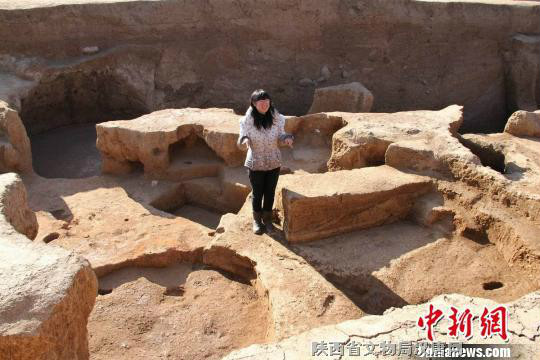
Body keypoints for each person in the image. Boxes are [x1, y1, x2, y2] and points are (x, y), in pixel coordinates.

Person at [237, 89, 294, 235]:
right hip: (255, 162)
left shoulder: (277, 118)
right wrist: (245, 141)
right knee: (257, 193)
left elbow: (281, 134)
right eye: (261, 103)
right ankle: (256, 220)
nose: (264, 105)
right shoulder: (246, 121)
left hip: (273, 161)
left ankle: (267, 220)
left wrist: (286, 138)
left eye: (267, 102)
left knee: (270, 192)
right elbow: (243, 136)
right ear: (254, 104)